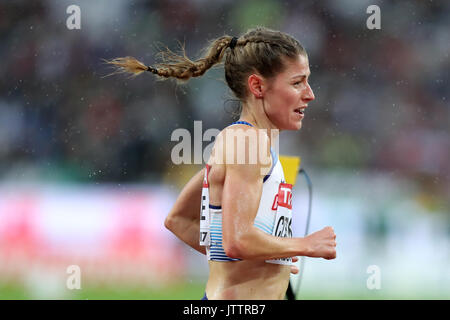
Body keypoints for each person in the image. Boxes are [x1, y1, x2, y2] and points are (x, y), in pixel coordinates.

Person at [106, 26, 336, 300]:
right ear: (258, 86)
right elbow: (237, 241)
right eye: (297, 82)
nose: (310, 94)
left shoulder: (245, 142)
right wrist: (304, 245)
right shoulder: (246, 143)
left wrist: (272, 254)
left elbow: (178, 219)